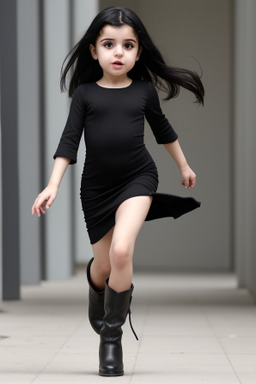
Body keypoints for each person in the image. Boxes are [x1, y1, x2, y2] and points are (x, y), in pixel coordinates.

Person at [32, 6, 204, 377]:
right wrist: (52, 185)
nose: (118, 52)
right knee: (106, 265)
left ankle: (111, 339)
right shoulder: (85, 94)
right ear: (94, 50)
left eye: (128, 45)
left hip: (138, 178)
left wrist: (184, 166)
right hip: (95, 188)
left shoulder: (143, 92)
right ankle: (98, 292)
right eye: (109, 44)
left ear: (138, 52)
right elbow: (68, 141)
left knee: (123, 250)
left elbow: (163, 131)